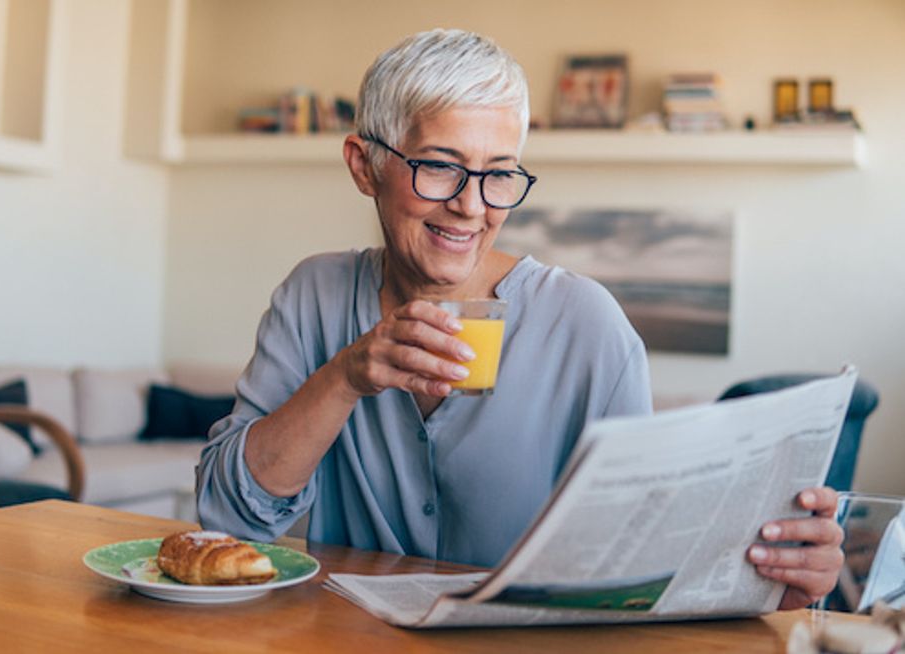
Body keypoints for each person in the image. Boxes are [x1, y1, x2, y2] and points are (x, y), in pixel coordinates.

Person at [196, 28, 842, 610]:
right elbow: (229, 518)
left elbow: (639, 562)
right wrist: (344, 377)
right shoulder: (314, 296)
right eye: (439, 166)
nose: (471, 206)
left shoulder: (587, 327)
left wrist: (771, 580)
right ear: (366, 167)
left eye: (499, 174)